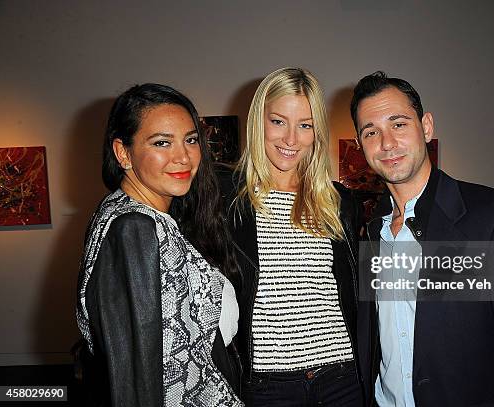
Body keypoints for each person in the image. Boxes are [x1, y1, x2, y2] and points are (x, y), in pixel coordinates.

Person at [351, 72, 494, 407]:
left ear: (427, 127)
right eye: (371, 132)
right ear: (361, 146)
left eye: (399, 124)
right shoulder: (368, 233)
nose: (386, 142)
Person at [75, 83, 243, 406]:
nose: (183, 157)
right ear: (123, 153)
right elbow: (135, 381)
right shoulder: (133, 230)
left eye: (191, 140)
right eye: (162, 142)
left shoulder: (135, 214)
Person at [216, 67, 363, 406]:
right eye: (278, 121)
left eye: (305, 125)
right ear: (259, 122)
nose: (291, 139)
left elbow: (358, 292)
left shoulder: (340, 202)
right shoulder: (227, 198)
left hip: (342, 379)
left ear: (317, 132)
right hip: (269, 386)